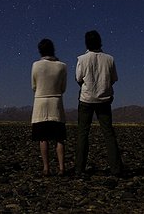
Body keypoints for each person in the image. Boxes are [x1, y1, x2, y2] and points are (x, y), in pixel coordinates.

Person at [75, 30, 123, 177]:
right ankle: (116, 169)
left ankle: (79, 169)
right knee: (108, 134)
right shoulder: (109, 59)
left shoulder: (82, 59)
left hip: (87, 99)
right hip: (104, 100)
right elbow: (114, 78)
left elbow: (78, 78)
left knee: (83, 133)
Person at [31, 38, 67, 176]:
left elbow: (34, 86)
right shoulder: (62, 66)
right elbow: (63, 87)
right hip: (56, 102)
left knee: (43, 138)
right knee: (59, 138)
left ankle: (46, 168)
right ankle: (62, 168)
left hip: (40, 103)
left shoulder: (35, 65)